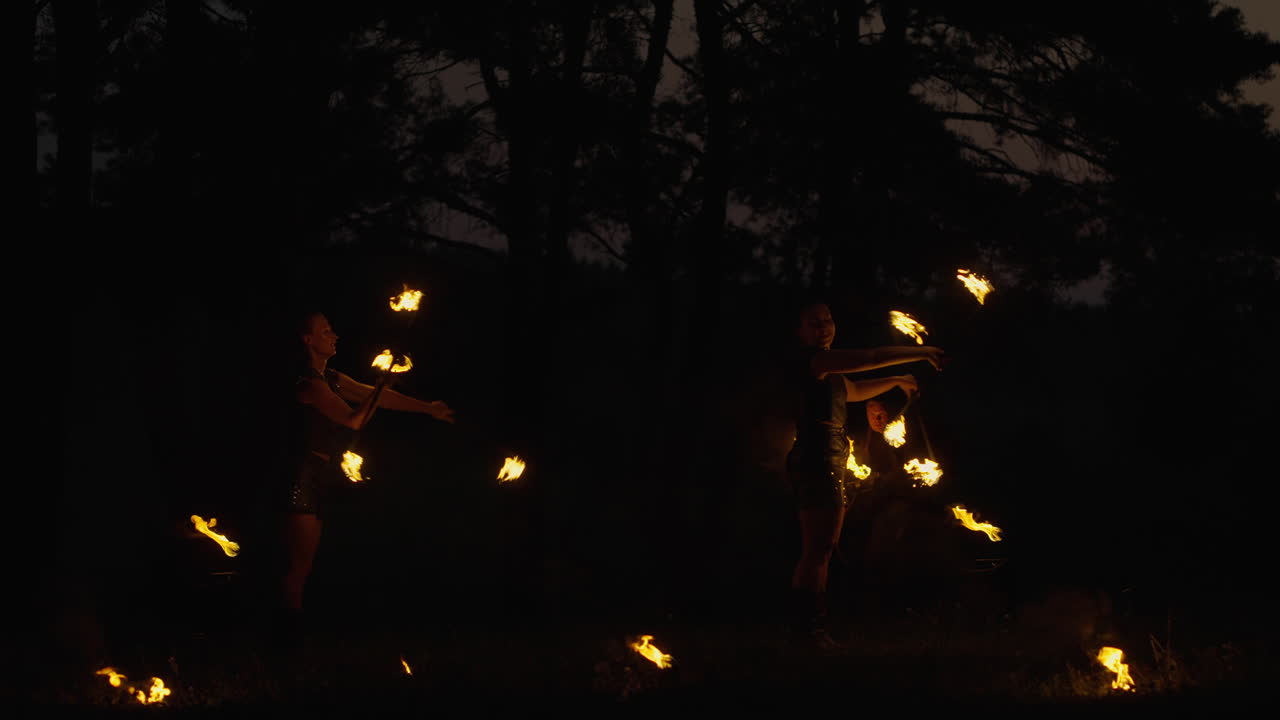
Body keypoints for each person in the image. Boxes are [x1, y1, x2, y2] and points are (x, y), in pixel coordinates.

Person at [274, 311, 455, 646]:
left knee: (313, 563)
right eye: (326, 331)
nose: (335, 336)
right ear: (308, 340)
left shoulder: (332, 377)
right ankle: (285, 640)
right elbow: (354, 419)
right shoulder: (309, 385)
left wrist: (427, 408)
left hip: (321, 475)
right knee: (297, 566)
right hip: (301, 478)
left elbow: (376, 396)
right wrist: (382, 383)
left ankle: (308, 631)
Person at [784, 299, 943, 649]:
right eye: (814, 323)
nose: (823, 328)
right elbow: (871, 357)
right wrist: (921, 352)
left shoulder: (829, 371)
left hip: (829, 455)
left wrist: (897, 380)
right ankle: (808, 631)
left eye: (828, 320)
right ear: (799, 331)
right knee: (818, 548)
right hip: (816, 457)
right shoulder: (816, 361)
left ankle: (809, 630)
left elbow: (853, 391)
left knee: (822, 547)